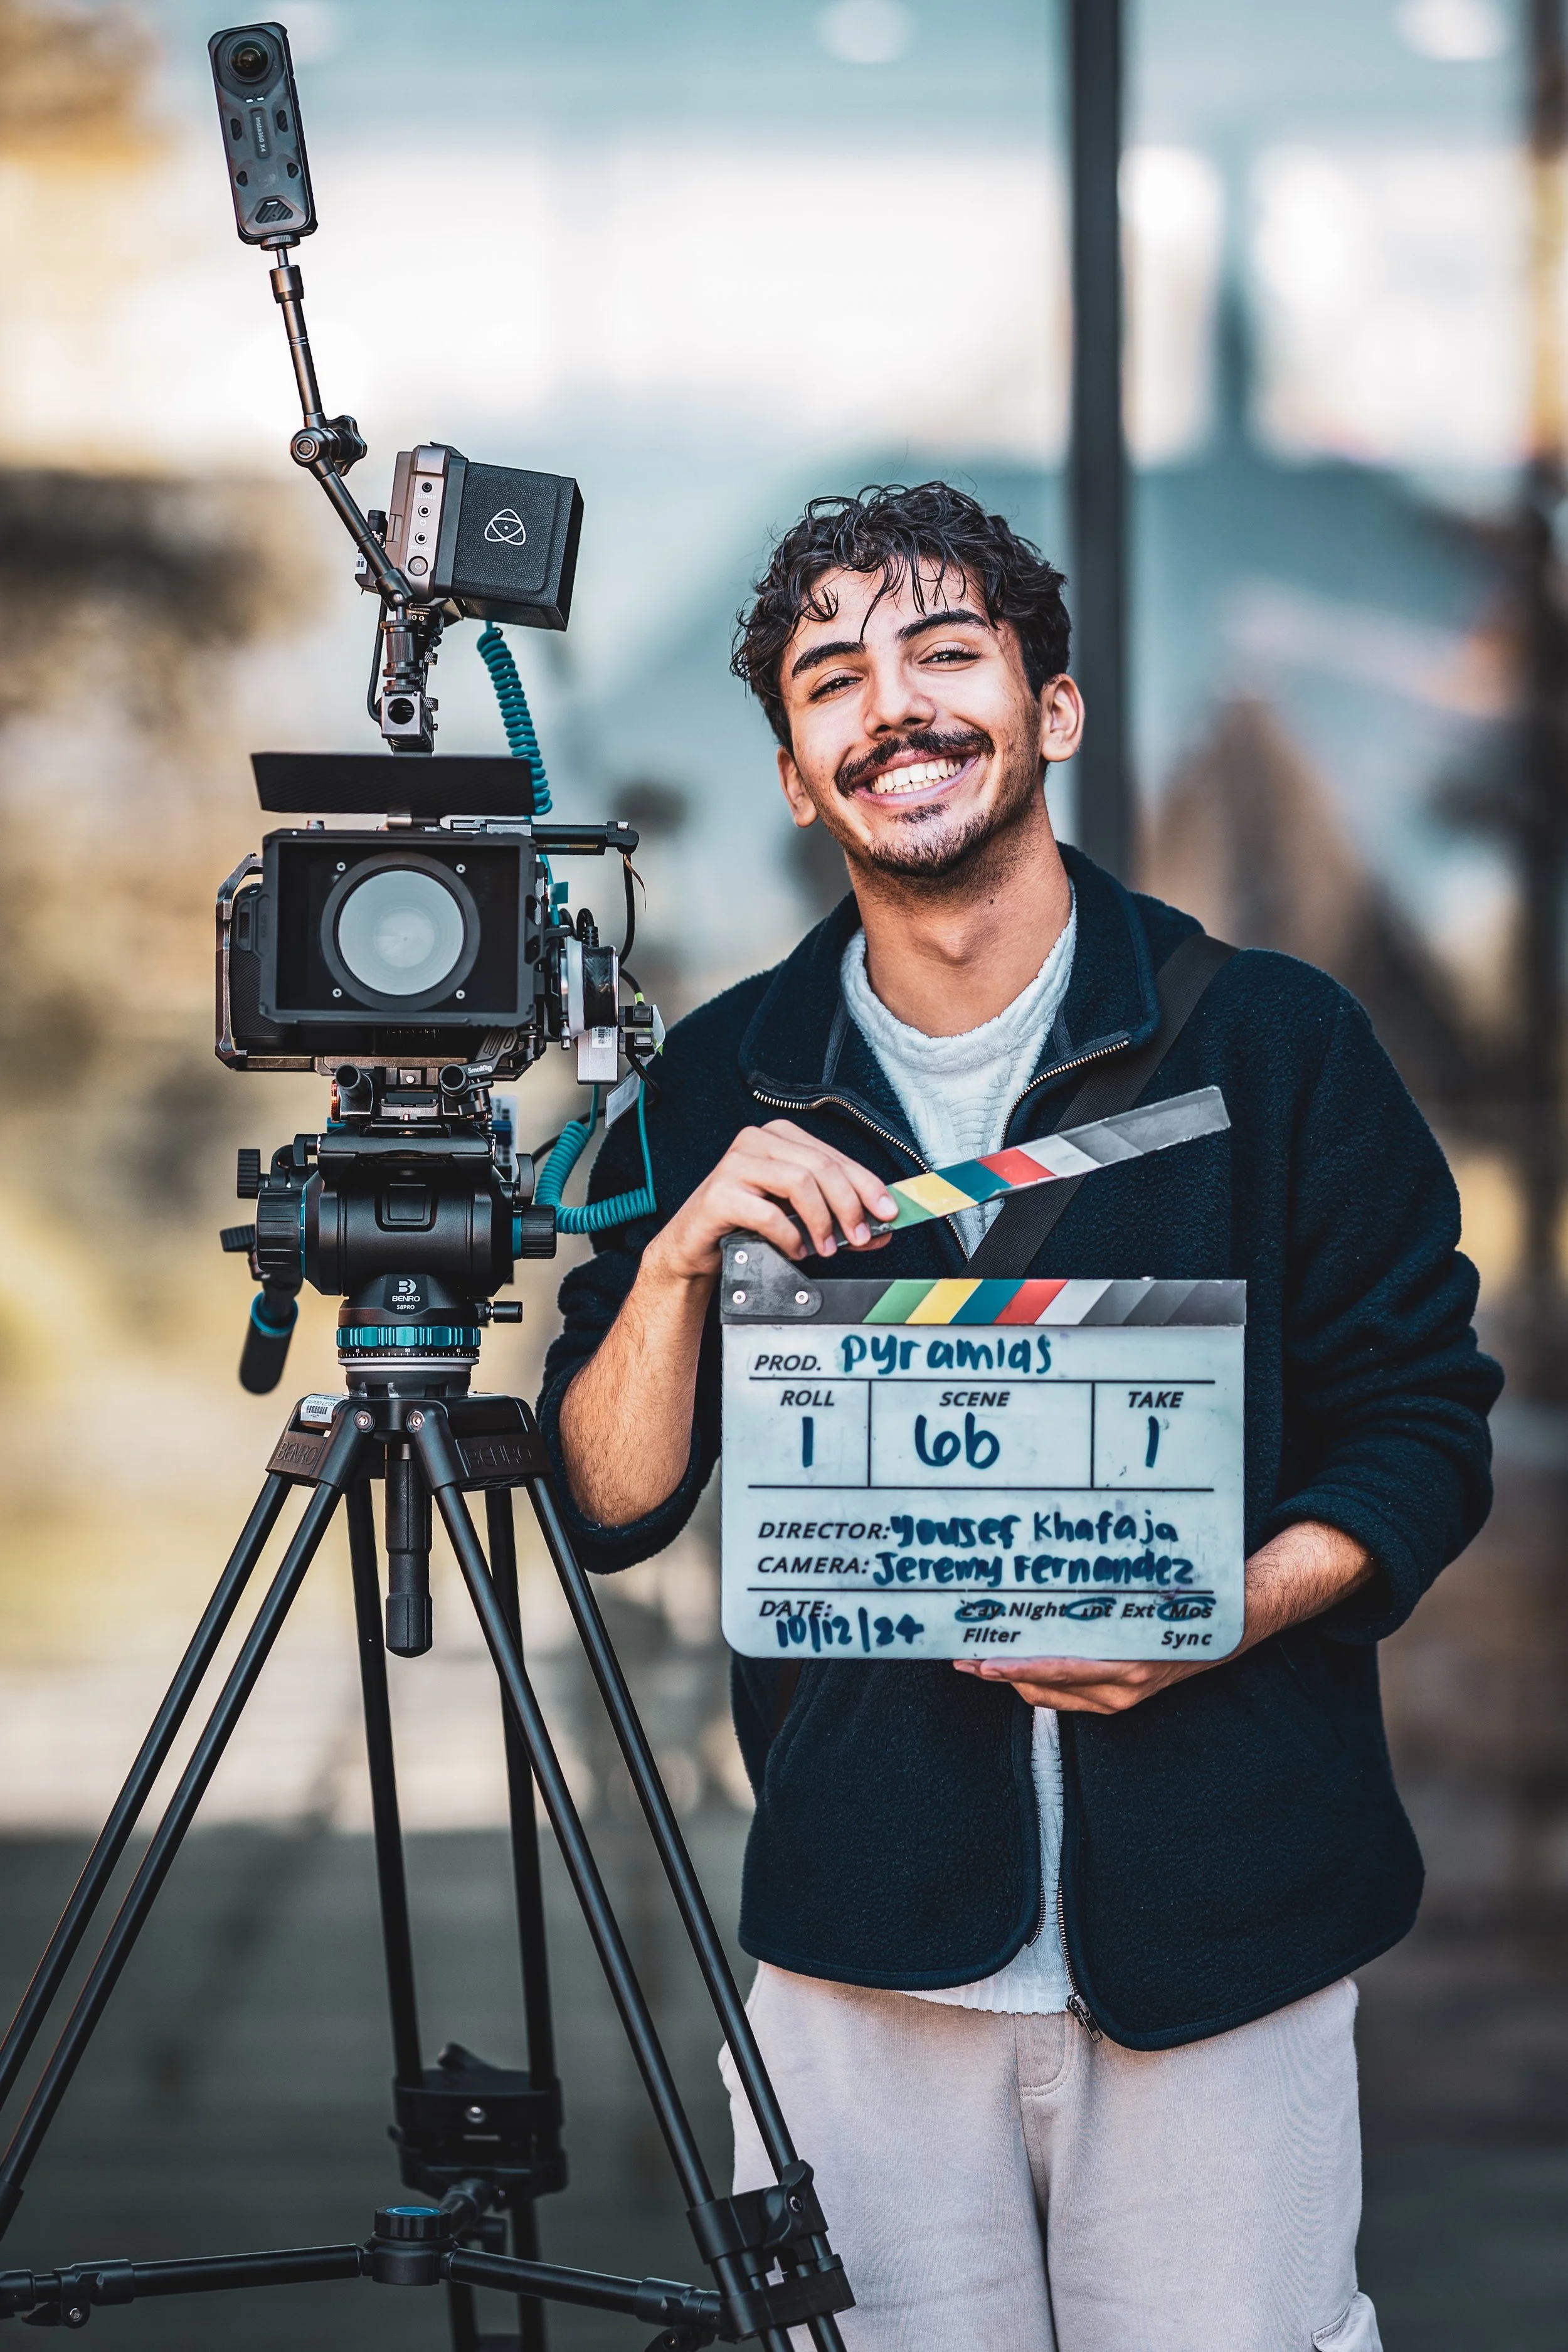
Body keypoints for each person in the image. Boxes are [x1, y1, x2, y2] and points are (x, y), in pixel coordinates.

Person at [537, 481, 1501, 2352]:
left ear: (1049, 709)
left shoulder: (1275, 1042)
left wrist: (1221, 1605)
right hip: (860, 1945)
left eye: (945, 651)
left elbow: (1419, 1422)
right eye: (834, 680)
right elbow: (606, 1498)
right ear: (801, 776)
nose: (891, 705)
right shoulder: (727, 1074)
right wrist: (668, 1269)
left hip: (1230, 1938)